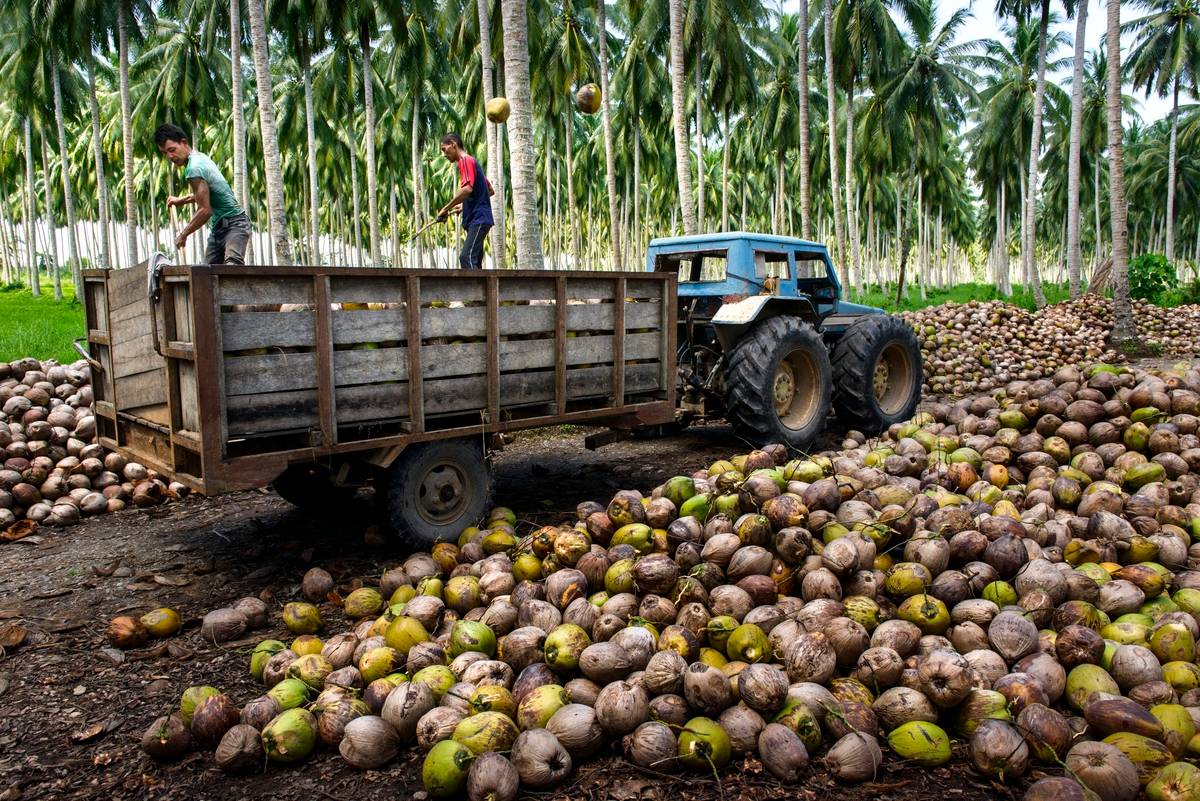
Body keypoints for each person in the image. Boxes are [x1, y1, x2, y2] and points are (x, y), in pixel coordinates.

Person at [154, 123, 252, 266]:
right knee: (205, 274)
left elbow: (205, 211)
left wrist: (183, 235)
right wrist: (180, 200)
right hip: (218, 229)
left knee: (232, 267)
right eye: (165, 153)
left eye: (172, 150)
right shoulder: (200, 157)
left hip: (235, 224)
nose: (170, 156)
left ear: (183, 142)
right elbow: (208, 193)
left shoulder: (194, 169)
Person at [436, 133, 495, 269]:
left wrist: (446, 208)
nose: (444, 154)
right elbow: (490, 190)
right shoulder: (472, 162)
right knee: (475, 262)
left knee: (466, 257)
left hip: (479, 219)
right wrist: (463, 206)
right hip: (479, 219)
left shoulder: (465, 161)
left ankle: (471, 291)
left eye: (444, 149)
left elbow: (467, 189)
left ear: (453, 144)